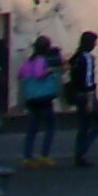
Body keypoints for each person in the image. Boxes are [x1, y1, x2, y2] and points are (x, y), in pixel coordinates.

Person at [17, 36, 63, 166]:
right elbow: (38, 74)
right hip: (43, 98)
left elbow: (20, 74)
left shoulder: (29, 60)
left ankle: (27, 156)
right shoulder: (41, 59)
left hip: (31, 99)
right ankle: (44, 155)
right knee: (51, 125)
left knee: (32, 128)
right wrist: (49, 71)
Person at [66, 27, 98, 165]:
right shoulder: (87, 58)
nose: (95, 45)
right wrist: (90, 99)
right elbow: (89, 81)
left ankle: (79, 155)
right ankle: (82, 150)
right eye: (94, 42)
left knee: (83, 125)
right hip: (86, 95)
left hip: (77, 93)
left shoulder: (76, 57)